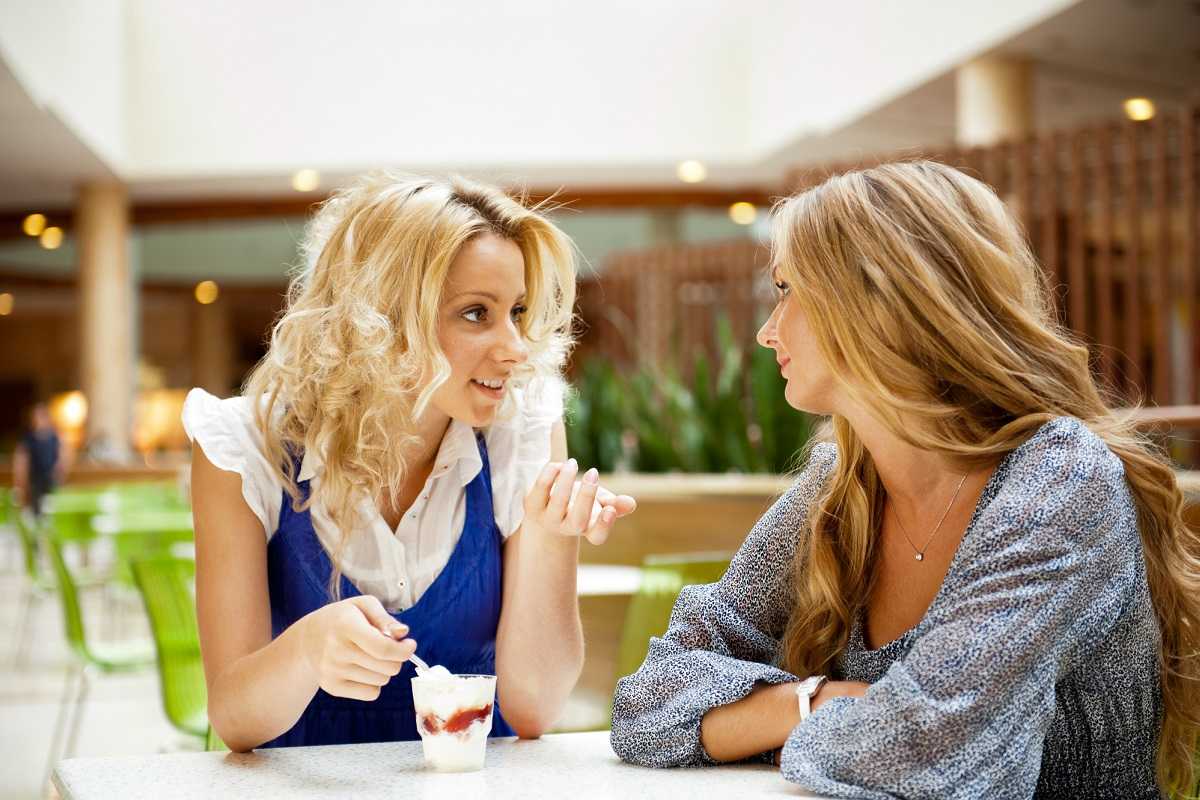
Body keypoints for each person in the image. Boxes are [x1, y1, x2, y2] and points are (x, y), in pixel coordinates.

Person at [610, 161, 1199, 798]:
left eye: (786, 289)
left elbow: (933, 756)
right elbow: (646, 703)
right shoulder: (840, 487)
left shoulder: (1059, 480)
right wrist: (818, 702)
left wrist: (760, 724)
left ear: (876, 301)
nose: (766, 330)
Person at [185, 173, 635, 752]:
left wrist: (553, 535)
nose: (516, 347)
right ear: (382, 319)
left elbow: (533, 709)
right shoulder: (245, 444)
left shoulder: (519, 426)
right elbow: (233, 718)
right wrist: (305, 650)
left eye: (517, 311)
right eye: (476, 313)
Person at [13, 402, 64, 517]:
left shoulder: (55, 437)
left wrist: (59, 473)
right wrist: (21, 481)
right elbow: (21, 460)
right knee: (35, 511)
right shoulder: (28, 439)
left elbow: (62, 457)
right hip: (34, 480)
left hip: (51, 479)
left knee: (51, 508)